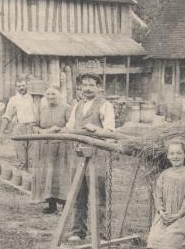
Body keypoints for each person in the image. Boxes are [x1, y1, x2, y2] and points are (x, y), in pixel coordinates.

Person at [64, 72, 115, 243]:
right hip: (79, 156)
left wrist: (96, 129)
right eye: (84, 85)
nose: (87, 88)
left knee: (98, 196)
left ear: (99, 87)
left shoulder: (105, 105)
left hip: (97, 156)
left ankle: (100, 234)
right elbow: (69, 128)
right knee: (78, 194)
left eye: (91, 85)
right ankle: (78, 231)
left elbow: (109, 132)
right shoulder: (77, 106)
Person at [146, 139, 185, 249]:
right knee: (153, 241)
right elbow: (158, 195)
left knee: (169, 244)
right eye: (172, 153)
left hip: (182, 218)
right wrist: (161, 211)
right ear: (167, 156)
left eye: (179, 153)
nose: (175, 156)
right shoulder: (164, 175)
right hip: (164, 217)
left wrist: (179, 214)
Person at [32, 86, 72, 214]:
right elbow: (34, 126)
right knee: (47, 174)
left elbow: (71, 126)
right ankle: (51, 204)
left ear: (59, 95)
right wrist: (44, 131)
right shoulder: (41, 109)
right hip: (45, 147)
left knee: (61, 175)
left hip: (62, 147)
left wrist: (60, 130)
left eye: (53, 94)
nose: (50, 97)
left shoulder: (67, 108)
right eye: (48, 94)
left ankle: (65, 205)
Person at [0, 75, 38, 170]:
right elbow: (7, 116)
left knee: (33, 158)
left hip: (33, 128)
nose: (21, 88)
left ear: (27, 85)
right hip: (19, 128)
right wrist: (1, 132)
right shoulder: (13, 100)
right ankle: (22, 182)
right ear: (16, 87)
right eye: (19, 86)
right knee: (22, 159)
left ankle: (33, 182)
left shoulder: (34, 98)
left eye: (23, 85)